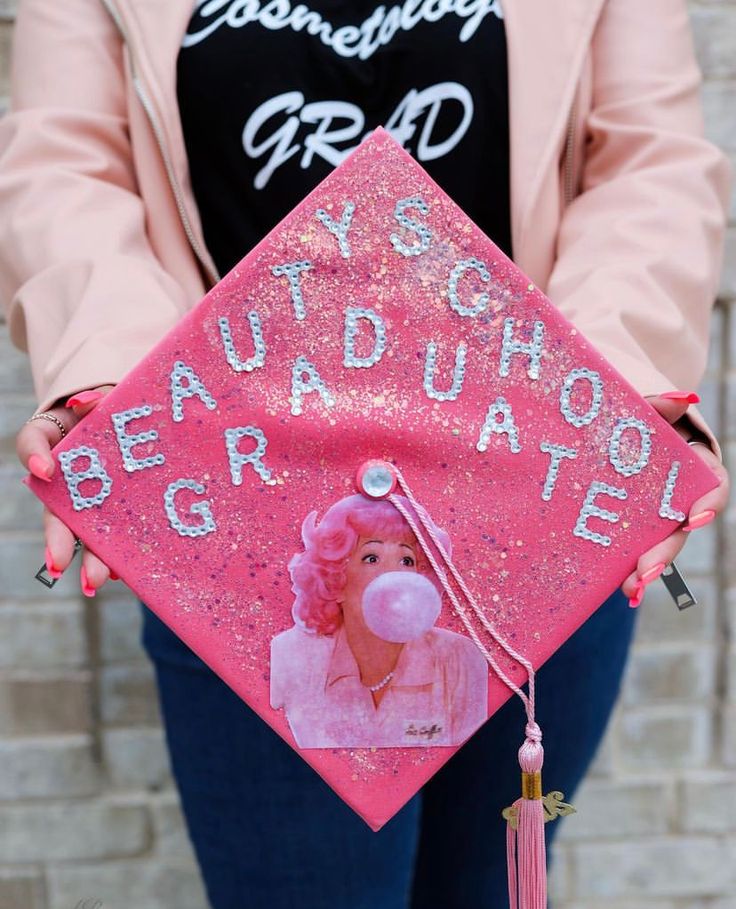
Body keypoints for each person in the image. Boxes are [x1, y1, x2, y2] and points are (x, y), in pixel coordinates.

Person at [0, 0, 730, 906]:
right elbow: (65, 167)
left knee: (489, 888)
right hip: (244, 532)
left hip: (536, 510)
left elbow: (647, 165)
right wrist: (125, 394)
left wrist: (607, 395)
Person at [270, 494, 489, 748]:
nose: (393, 574)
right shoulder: (291, 657)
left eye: (406, 560)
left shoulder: (459, 659)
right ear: (335, 581)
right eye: (371, 558)